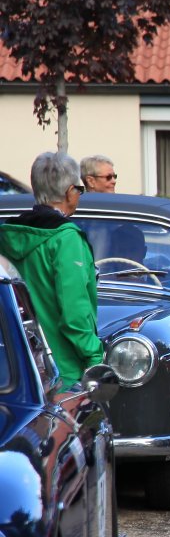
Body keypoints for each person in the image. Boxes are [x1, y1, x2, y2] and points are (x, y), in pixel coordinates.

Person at [0, 152, 104, 388]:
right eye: (79, 189)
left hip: (12, 368)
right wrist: (95, 358)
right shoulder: (67, 239)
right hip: (61, 370)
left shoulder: (8, 235)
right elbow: (74, 314)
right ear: (69, 192)